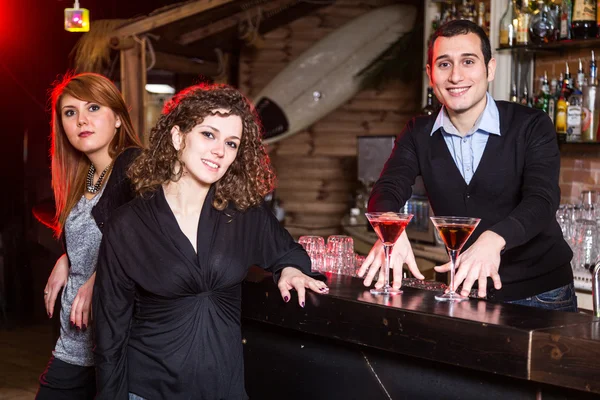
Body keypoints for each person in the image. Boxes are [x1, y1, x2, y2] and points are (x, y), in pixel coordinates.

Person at [93, 83, 329, 399]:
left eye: (231, 143)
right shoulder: (128, 224)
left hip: (224, 389)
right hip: (149, 390)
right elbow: (110, 331)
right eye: (209, 134)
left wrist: (289, 269)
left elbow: (288, 251)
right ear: (178, 137)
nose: (220, 150)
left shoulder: (243, 212)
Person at [358, 20, 576, 311]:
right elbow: (389, 186)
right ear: (430, 75)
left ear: (490, 69)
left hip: (540, 293)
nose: (456, 76)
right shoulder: (417, 132)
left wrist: (494, 238)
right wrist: (390, 231)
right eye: (444, 64)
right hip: (464, 293)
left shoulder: (531, 125)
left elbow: (542, 198)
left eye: (468, 61)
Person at [37, 72, 142, 399]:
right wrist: (67, 256)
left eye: (93, 108)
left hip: (121, 348)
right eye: (70, 113)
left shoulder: (133, 165)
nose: (81, 119)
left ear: (118, 120)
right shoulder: (83, 180)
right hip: (74, 343)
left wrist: (101, 275)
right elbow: (97, 236)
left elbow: (154, 240)